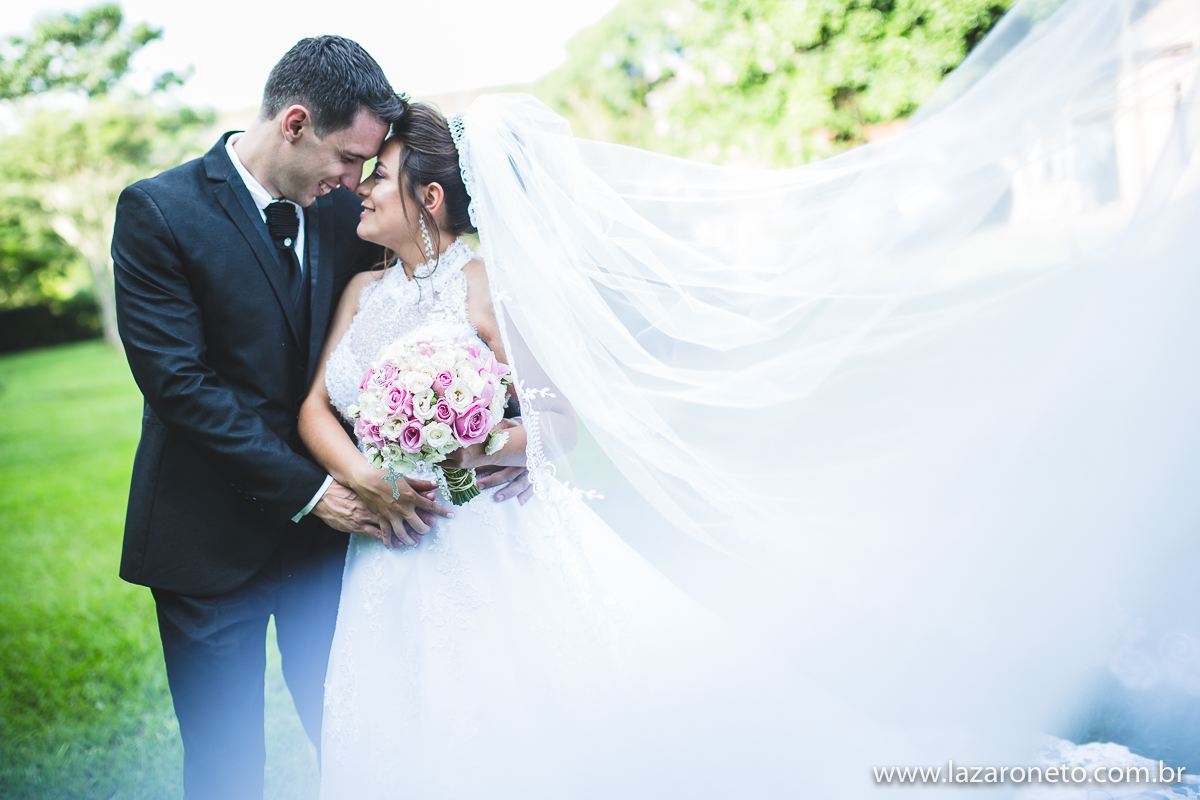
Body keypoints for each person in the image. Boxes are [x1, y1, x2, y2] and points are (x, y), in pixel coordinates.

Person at [304, 0, 1200, 795]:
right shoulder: (359, 292)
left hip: (483, 540)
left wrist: (472, 451)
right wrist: (366, 476)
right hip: (386, 548)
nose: (354, 194)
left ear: (428, 198)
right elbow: (317, 405)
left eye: (373, 180)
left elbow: (552, 424)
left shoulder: (491, 285)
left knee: (536, 715)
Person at [111, 36, 527, 800]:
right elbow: (180, 385)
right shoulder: (159, 211)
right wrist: (317, 489)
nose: (355, 181)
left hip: (341, 551)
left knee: (357, 737)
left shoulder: (344, 214)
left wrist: (504, 442)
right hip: (208, 543)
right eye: (347, 159)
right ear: (295, 123)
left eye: (370, 170)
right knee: (227, 766)